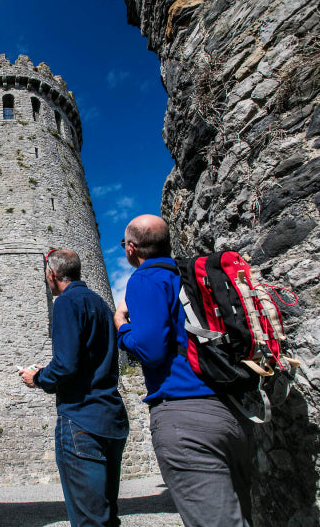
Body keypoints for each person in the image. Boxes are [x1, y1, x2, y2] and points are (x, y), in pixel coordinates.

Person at [113, 214, 253, 526]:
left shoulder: (145, 279)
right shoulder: (188, 277)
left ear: (132, 248)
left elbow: (150, 350)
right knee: (239, 515)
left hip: (185, 416)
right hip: (230, 410)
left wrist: (121, 325)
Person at [19, 249, 129, 527]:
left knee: (89, 520)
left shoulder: (66, 303)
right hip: (111, 417)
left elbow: (66, 365)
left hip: (81, 419)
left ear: (52, 274)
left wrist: (38, 377)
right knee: (107, 515)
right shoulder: (100, 304)